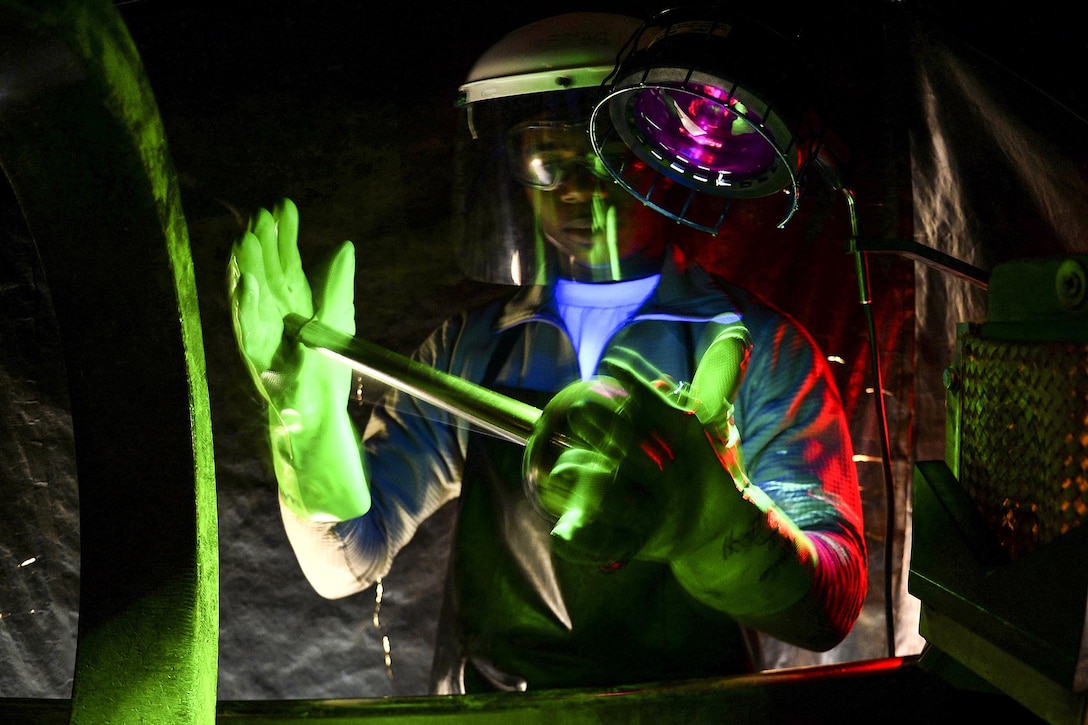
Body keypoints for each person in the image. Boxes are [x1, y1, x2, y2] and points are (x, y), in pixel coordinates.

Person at [228, 11, 867, 694]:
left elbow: (830, 601)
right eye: (547, 157)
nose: (577, 188)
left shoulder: (759, 352)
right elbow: (347, 557)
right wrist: (306, 424)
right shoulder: (472, 348)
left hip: (690, 714)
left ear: (670, 155)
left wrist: (710, 523)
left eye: (613, 155)